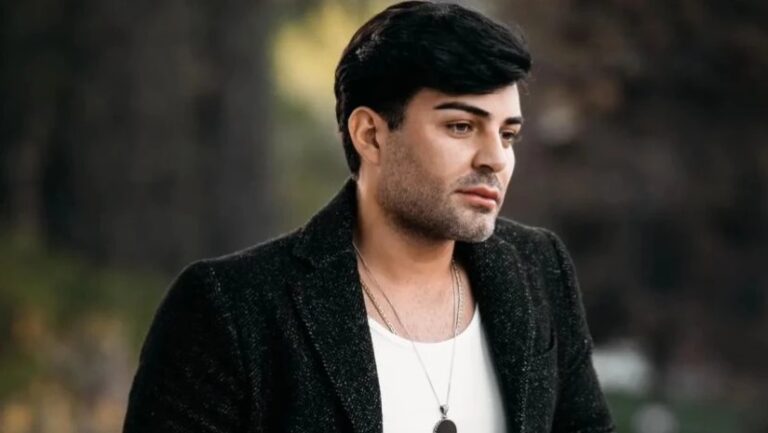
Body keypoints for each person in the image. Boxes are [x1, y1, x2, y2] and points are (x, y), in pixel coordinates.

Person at [123, 1, 615, 432]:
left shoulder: (538, 269)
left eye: (507, 135)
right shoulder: (229, 308)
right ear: (370, 135)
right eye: (461, 126)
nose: (495, 159)